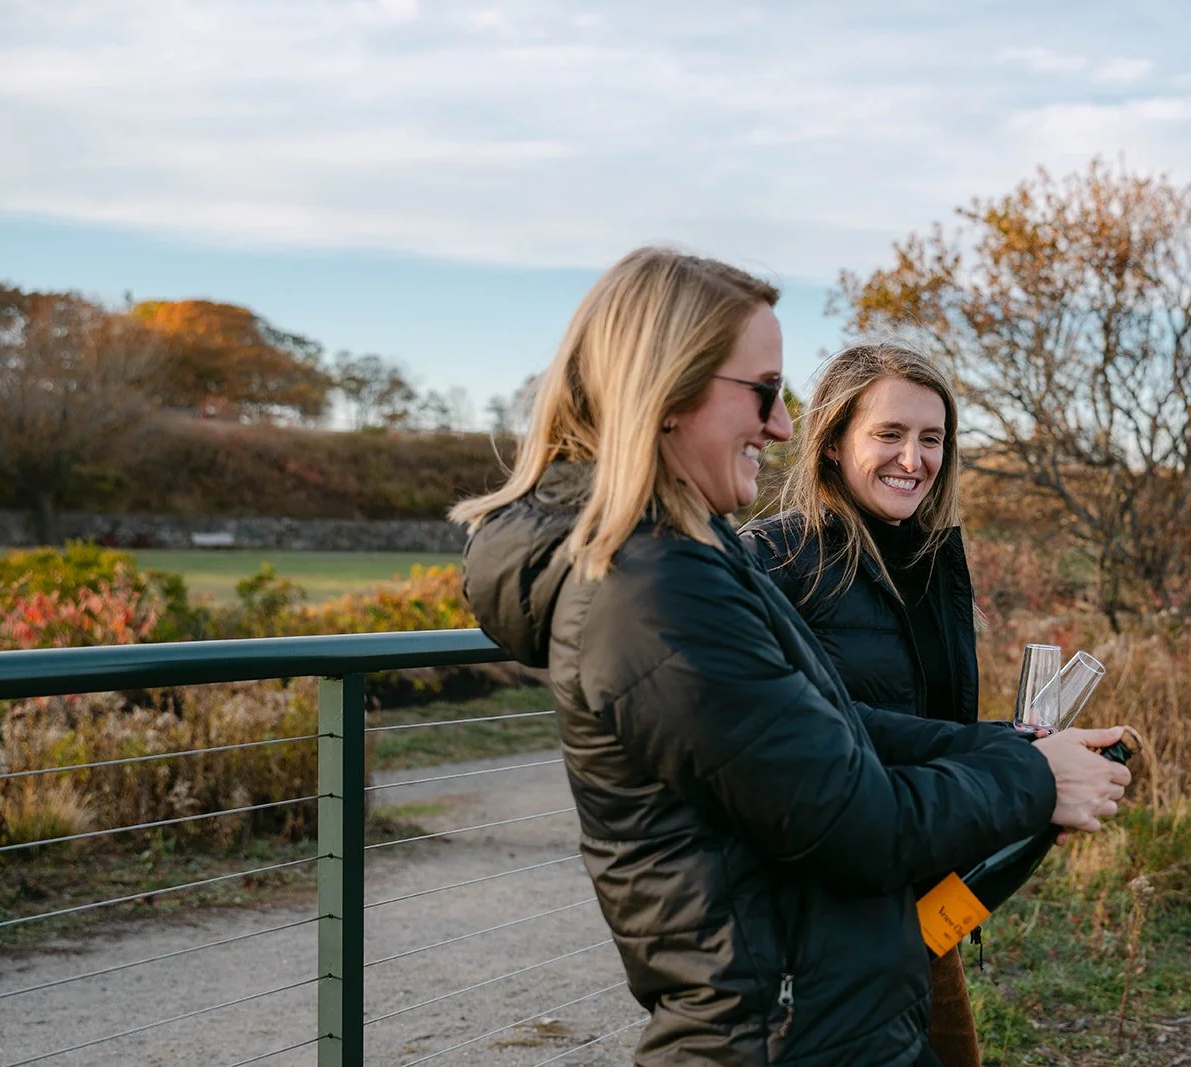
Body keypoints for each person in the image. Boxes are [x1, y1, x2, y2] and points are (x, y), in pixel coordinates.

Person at [454, 247, 1131, 1067]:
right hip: (777, 1026)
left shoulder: (695, 559)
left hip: (831, 997)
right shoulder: (656, 593)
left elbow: (838, 729)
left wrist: (1007, 747)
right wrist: (1035, 781)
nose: (781, 424)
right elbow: (851, 819)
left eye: (933, 438)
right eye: (766, 393)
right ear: (667, 393)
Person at [738, 343, 986, 1066]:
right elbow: (804, 741)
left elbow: (932, 725)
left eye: (932, 438)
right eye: (890, 433)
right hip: (821, 927)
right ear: (834, 439)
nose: (914, 458)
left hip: (920, 901)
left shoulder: (931, 560)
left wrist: (1027, 764)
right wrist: (1007, 763)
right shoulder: (773, 559)